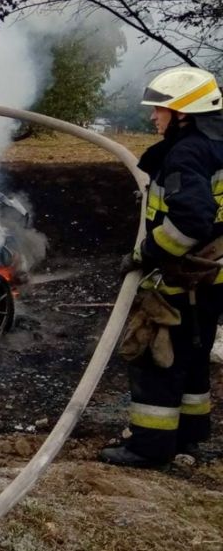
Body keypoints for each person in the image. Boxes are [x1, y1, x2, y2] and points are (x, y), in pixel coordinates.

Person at [100, 65, 223, 468]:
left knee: (156, 359)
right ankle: (188, 438)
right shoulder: (214, 145)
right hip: (210, 279)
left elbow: (192, 219)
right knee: (192, 356)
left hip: (179, 279)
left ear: (184, 114)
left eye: (161, 110)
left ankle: (148, 448)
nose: (153, 116)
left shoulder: (186, 152)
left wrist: (147, 253)